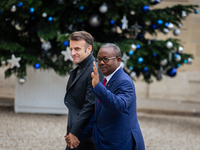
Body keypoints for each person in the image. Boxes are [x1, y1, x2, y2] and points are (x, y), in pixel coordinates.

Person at [90, 43, 145, 150]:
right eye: (99, 59)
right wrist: (78, 135)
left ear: (118, 60)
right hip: (103, 142)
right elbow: (98, 114)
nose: (101, 63)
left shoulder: (124, 81)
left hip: (120, 144)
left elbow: (118, 106)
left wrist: (97, 86)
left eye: (105, 59)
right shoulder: (104, 81)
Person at [64, 31, 103, 150]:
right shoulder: (81, 68)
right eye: (71, 49)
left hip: (86, 136)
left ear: (89, 49)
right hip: (76, 133)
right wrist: (71, 131)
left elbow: (90, 106)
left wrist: (75, 132)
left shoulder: (94, 70)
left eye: (77, 49)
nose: (72, 53)